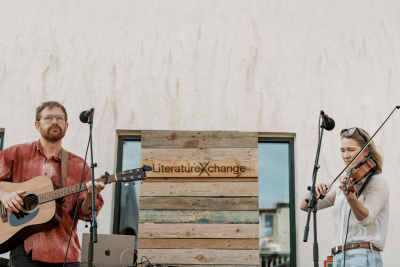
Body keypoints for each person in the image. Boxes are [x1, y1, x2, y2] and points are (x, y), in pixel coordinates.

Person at [0, 101, 105, 266]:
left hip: (65, 252)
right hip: (25, 249)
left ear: (66, 125)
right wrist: (4, 195)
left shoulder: (79, 165)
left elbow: (84, 213)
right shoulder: (16, 154)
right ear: (37, 125)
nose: (54, 122)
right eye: (48, 118)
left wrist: (91, 194)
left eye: (59, 118)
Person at [300, 127, 388, 267]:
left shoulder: (377, 181)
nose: (345, 155)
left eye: (351, 150)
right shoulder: (343, 184)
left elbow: (366, 219)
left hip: (362, 256)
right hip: (338, 258)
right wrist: (316, 192)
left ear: (366, 151)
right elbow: (305, 206)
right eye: (342, 150)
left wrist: (351, 197)